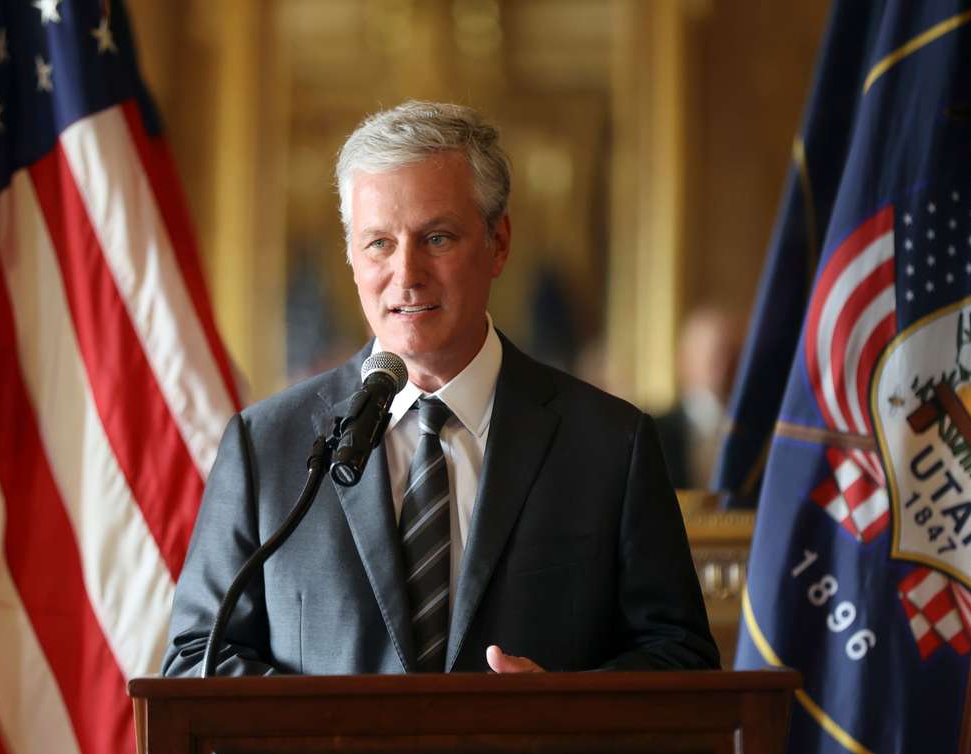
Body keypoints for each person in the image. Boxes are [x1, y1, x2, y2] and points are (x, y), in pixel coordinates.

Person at [163, 101, 719, 676]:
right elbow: (196, 658)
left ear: (498, 242)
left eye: (437, 238)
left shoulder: (611, 444)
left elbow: (681, 656)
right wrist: (322, 736)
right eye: (379, 242)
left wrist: (566, 710)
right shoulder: (266, 445)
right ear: (351, 256)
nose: (407, 274)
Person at [655, 306, 742, 489]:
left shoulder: (759, 436)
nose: (725, 365)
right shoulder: (653, 432)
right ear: (684, 359)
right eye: (715, 354)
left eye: (732, 353)